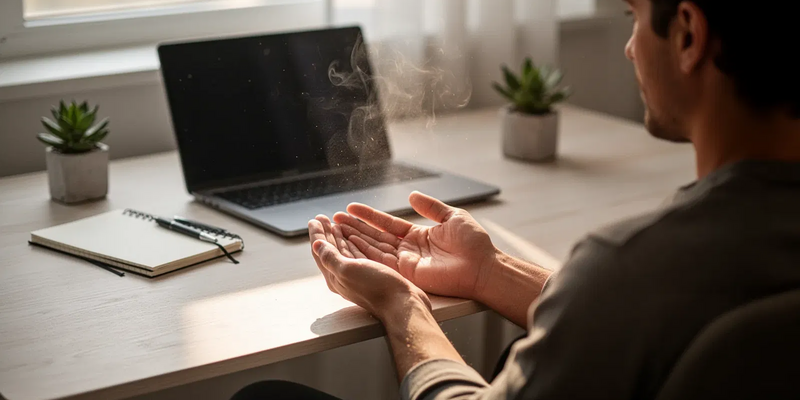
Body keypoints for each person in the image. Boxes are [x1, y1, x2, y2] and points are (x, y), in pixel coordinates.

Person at [233, 0, 800, 398]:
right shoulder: (680, 270)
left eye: (632, 17)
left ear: (688, 35)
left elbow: (628, 296)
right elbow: (648, 314)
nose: (628, 48)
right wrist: (488, 273)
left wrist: (402, 306)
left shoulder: (632, 263)